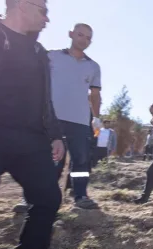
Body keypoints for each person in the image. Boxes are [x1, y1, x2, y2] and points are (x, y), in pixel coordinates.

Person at [0, 0, 69, 249]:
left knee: (48, 198)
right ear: (22, 5)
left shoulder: (38, 52)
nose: (47, 19)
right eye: (43, 10)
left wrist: (55, 134)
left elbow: (45, 99)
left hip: (31, 139)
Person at [46, 23, 102, 209]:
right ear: (71, 34)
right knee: (50, 160)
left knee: (81, 161)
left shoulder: (93, 66)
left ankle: (80, 196)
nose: (84, 40)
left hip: (79, 121)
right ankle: (36, 196)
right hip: (53, 119)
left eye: (88, 38)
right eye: (80, 35)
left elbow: (94, 95)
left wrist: (96, 117)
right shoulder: (51, 57)